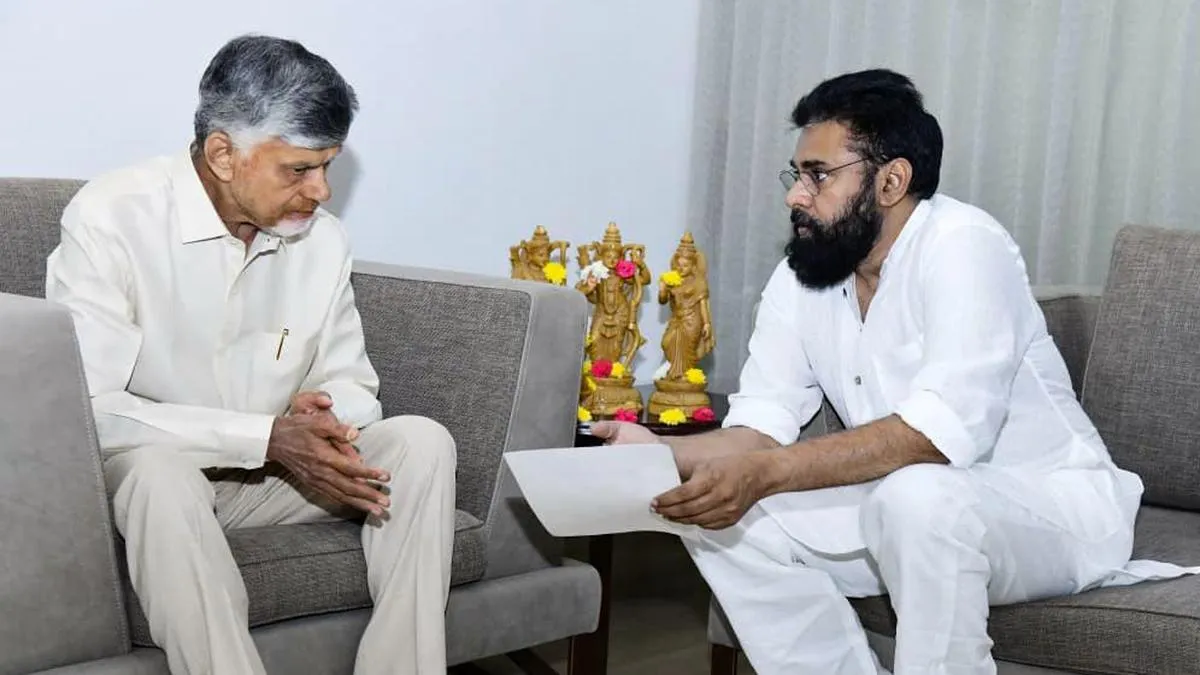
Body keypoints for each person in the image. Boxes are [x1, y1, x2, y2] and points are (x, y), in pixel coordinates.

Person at [591, 69, 1176, 674]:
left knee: (916, 495)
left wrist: (764, 473)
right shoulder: (803, 276)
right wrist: (657, 452)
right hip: (902, 503)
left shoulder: (964, 244)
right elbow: (760, 431)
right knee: (721, 513)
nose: (796, 195)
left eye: (818, 175)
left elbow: (937, 437)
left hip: (1051, 510)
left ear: (892, 180)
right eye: (797, 176)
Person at [45, 35, 455, 675]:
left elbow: (354, 386)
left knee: (421, 443)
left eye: (329, 165)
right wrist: (267, 436)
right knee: (160, 476)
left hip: (272, 483)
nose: (320, 190)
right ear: (223, 154)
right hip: (153, 485)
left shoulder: (323, 242)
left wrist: (321, 414)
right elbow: (90, 413)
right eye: (298, 169)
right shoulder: (110, 219)